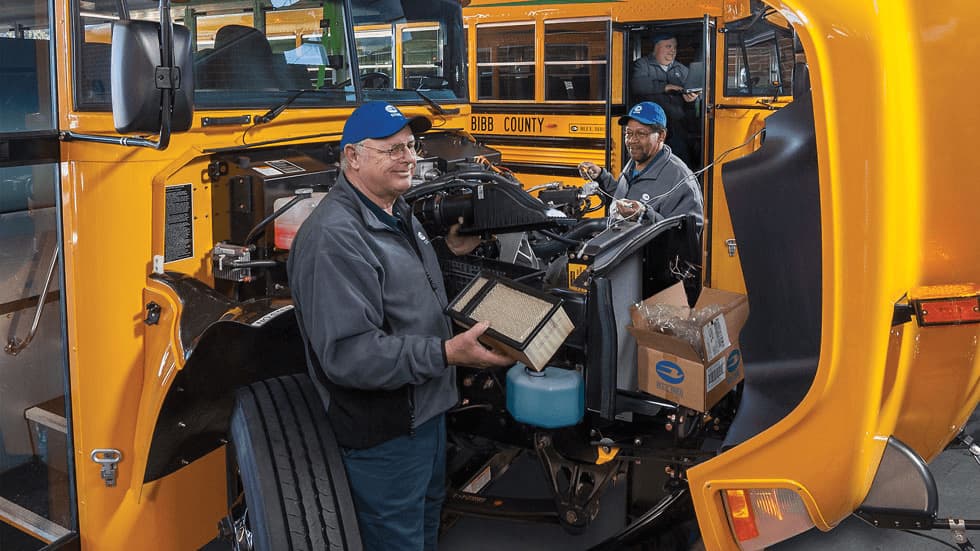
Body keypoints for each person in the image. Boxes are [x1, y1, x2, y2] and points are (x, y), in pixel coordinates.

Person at [287, 101, 513, 551]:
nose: (408, 158)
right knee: (397, 540)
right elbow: (350, 356)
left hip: (426, 417)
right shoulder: (334, 238)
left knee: (425, 529)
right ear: (352, 157)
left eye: (411, 146)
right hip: (386, 435)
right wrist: (447, 354)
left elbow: (404, 290)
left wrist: (453, 253)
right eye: (391, 150)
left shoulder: (396, 211)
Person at [578, 101, 704, 230]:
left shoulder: (680, 179)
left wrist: (644, 215)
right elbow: (626, 197)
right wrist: (601, 176)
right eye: (629, 133)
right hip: (621, 246)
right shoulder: (637, 160)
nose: (632, 140)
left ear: (661, 135)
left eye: (641, 133)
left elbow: (688, 236)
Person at [630, 33, 700, 165]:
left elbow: (694, 91)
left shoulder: (681, 69)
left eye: (675, 47)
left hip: (677, 127)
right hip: (650, 128)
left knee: (681, 162)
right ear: (656, 48)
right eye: (668, 46)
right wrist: (665, 87)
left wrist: (692, 99)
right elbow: (638, 86)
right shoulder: (642, 65)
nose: (673, 50)